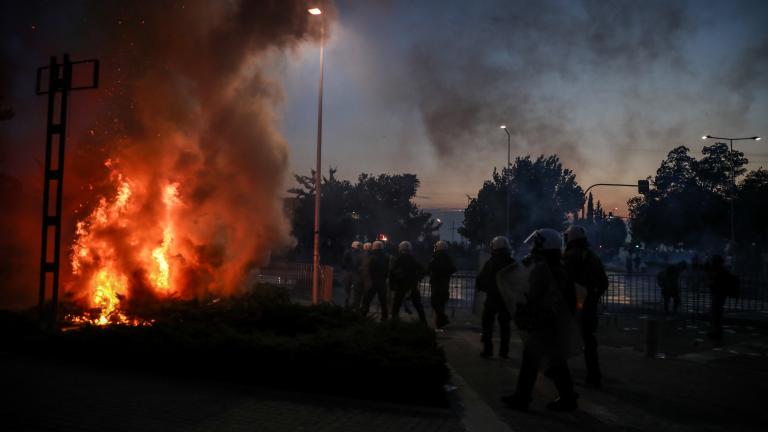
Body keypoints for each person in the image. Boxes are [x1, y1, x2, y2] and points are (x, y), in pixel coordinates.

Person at [503, 228, 579, 412]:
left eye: (535, 243)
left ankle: (522, 398)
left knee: (532, 359)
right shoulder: (555, 268)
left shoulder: (547, 270)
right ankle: (568, 398)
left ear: (543, 245)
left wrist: (528, 310)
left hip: (545, 321)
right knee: (554, 360)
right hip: (551, 321)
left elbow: (541, 297)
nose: (532, 247)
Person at [563, 225, 608, 388]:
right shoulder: (593, 257)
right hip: (588, 305)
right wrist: (593, 297)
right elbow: (603, 282)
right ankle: (594, 374)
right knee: (589, 339)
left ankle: (560, 373)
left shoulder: (568, 257)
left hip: (570, 305)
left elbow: (563, 282)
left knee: (562, 338)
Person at [477, 236, 515, 359]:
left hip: (493, 298)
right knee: (505, 325)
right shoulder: (512, 262)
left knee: (487, 323)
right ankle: (504, 352)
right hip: (507, 298)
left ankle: (488, 350)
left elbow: (481, 280)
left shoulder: (491, 262)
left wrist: (487, 288)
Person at [389, 241, 427, 323]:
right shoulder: (412, 259)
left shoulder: (398, 259)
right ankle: (424, 323)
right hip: (412, 286)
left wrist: (392, 286)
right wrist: (418, 277)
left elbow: (392, 272)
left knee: (396, 306)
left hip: (400, 285)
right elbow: (423, 269)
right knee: (418, 306)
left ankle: (393, 323)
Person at [428, 240, 456, 329]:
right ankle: (440, 322)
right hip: (445, 284)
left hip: (436, 284)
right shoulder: (448, 258)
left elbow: (429, 268)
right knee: (442, 303)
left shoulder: (435, 257)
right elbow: (453, 269)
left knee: (434, 302)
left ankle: (442, 319)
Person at [707, 255, 735, 341]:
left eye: (714, 261)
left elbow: (716, 283)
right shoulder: (721, 271)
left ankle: (717, 333)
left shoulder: (720, 271)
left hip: (718, 294)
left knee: (716, 314)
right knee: (716, 314)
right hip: (719, 294)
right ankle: (716, 332)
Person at [360, 241, 389, 320]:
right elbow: (387, 270)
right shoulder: (386, 257)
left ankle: (363, 315)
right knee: (383, 301)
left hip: (372, 282)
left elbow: (367, 269)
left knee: (367, 300)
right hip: (382, 282)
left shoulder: (371, 257)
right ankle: (384, 317)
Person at [341, 241, 364, 309]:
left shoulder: (347, 252)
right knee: (356, 291)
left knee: (347, 290)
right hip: (356, 274)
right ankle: (355, 305)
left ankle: (346, 304)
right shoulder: (360, 253)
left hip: (347, 273)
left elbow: (343, 263)